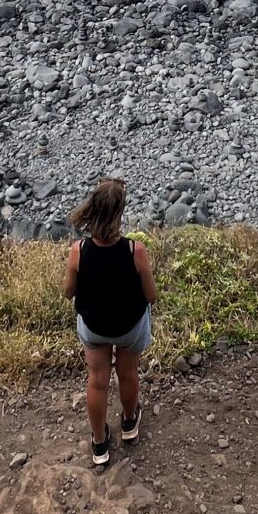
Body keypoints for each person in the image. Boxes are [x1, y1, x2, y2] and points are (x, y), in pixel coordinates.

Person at [62, 177, 157, 466]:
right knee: (128, 375)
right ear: (120, 213)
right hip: (128, 328)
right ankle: (129, 425)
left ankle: (99, 443)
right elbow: (151, 296)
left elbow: (67, 292)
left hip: (94, 328)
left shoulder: (79, 250)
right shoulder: (135, 250)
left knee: (97, 381)